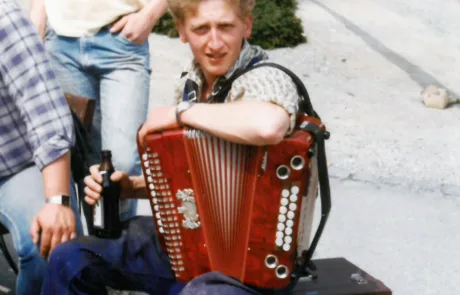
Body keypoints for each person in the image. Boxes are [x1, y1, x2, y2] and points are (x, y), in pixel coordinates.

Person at [42, 0, 301, 293]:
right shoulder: (191, 82)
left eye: (226, 27)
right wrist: (131, 186)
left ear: (247, 26)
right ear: (182, 31)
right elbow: (188, 182)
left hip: (251, 267)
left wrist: (179, 113)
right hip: (190, 247)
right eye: (201, 29)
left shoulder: (267, 76)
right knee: (72, 258)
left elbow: (269, 125)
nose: (215, 42)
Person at [29, 0, 169, 224]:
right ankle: (96, 250)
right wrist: (39, 11)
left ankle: (118, 246)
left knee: (120, 165)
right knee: (86, 165)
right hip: (61, 40)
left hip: (123, 40)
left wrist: (151, 14)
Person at [0, 1, 83, 294]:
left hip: (18, 164)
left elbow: (44, 111)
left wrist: (57, 203)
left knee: (49, 245)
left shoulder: (4, 19)